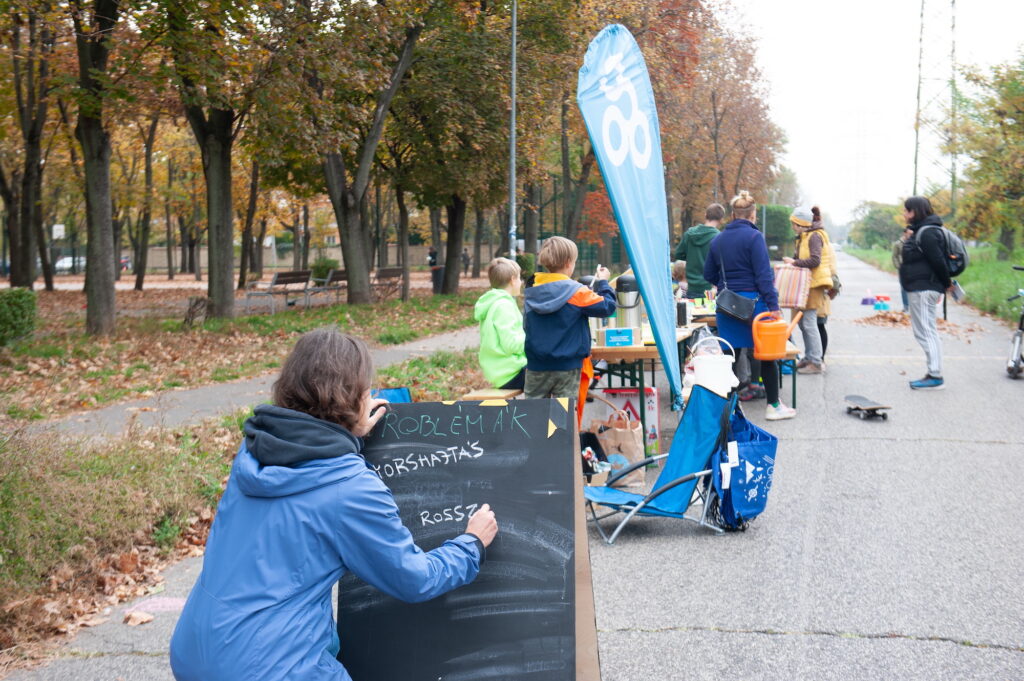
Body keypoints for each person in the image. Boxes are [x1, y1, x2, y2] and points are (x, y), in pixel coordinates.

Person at [169, 328, 498, 681]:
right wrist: (471, 545)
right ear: (353, 396)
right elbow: (412, 579)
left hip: (195, 651)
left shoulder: (254, 451)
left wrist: (346, 433)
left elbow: (310, 466)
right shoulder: (351, 487)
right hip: (268, 667)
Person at [703, 191, 795, 421]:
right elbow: (764, 276)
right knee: (766, 356)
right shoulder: (755, 238)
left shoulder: (718, 239)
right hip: (755, 307)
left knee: (729, 358)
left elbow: (708, 273)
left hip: (726, 307)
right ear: (753, 215)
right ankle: (773, 406)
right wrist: (773, 306)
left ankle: (730, 412)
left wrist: (725, 285)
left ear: (733, 214)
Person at [523, 236, 616, 399]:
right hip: (567, 366)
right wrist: (603, 282)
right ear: (568, 263)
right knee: (563, 417)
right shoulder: (577, 292)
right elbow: (607, 306)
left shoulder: (532, 289)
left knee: (534, 416)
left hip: (536, 366)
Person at [898, 196, 951, 390]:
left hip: (924, 287)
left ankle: (935, 376)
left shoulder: (927, 232)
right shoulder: (921, 230)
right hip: (920, 287)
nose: (904, 214)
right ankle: (933, 373)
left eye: (906, 210)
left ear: (914, 211)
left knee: (926, 331)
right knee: (925, 331)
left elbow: (938, 260)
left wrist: (946, 283)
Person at [782, 205, 834, 374]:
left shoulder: (814, 237)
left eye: (793, 224)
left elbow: (815, 261)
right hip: (808, 284)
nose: (792, 228)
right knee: (804, 324)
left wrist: (794, 262)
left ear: (800, 223)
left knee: (810, 323)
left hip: (814, 285)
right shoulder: (805, 236)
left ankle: (816, 362)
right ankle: (809, 357)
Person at [475, 258, 527, 390]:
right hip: (511, 373)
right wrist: (534, 340)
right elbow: (511, 344)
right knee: (554, 372)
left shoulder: (494, 302)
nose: (521, 282)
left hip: (501, 371)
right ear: (512, 279)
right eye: (520, 278)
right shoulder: (503, 306)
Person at [674, 203, 724, 300]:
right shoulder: (719, 237)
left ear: (705, 215)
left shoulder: (689, 234)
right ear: (721, 220)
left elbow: (678, 254)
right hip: (710, 290)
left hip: (691, 287)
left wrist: (692, 257)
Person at [892, 228, 912, 312]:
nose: (910, 235)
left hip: (913, 268)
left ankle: (913, 306)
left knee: (913, 288)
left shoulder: (914, 242)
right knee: (904, 288)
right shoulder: (898, 244)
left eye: (912, 234)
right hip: (902, 268)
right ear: (904, 233)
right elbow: (894, 256)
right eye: (909, 233)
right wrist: (898, 266)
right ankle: (906, 306)